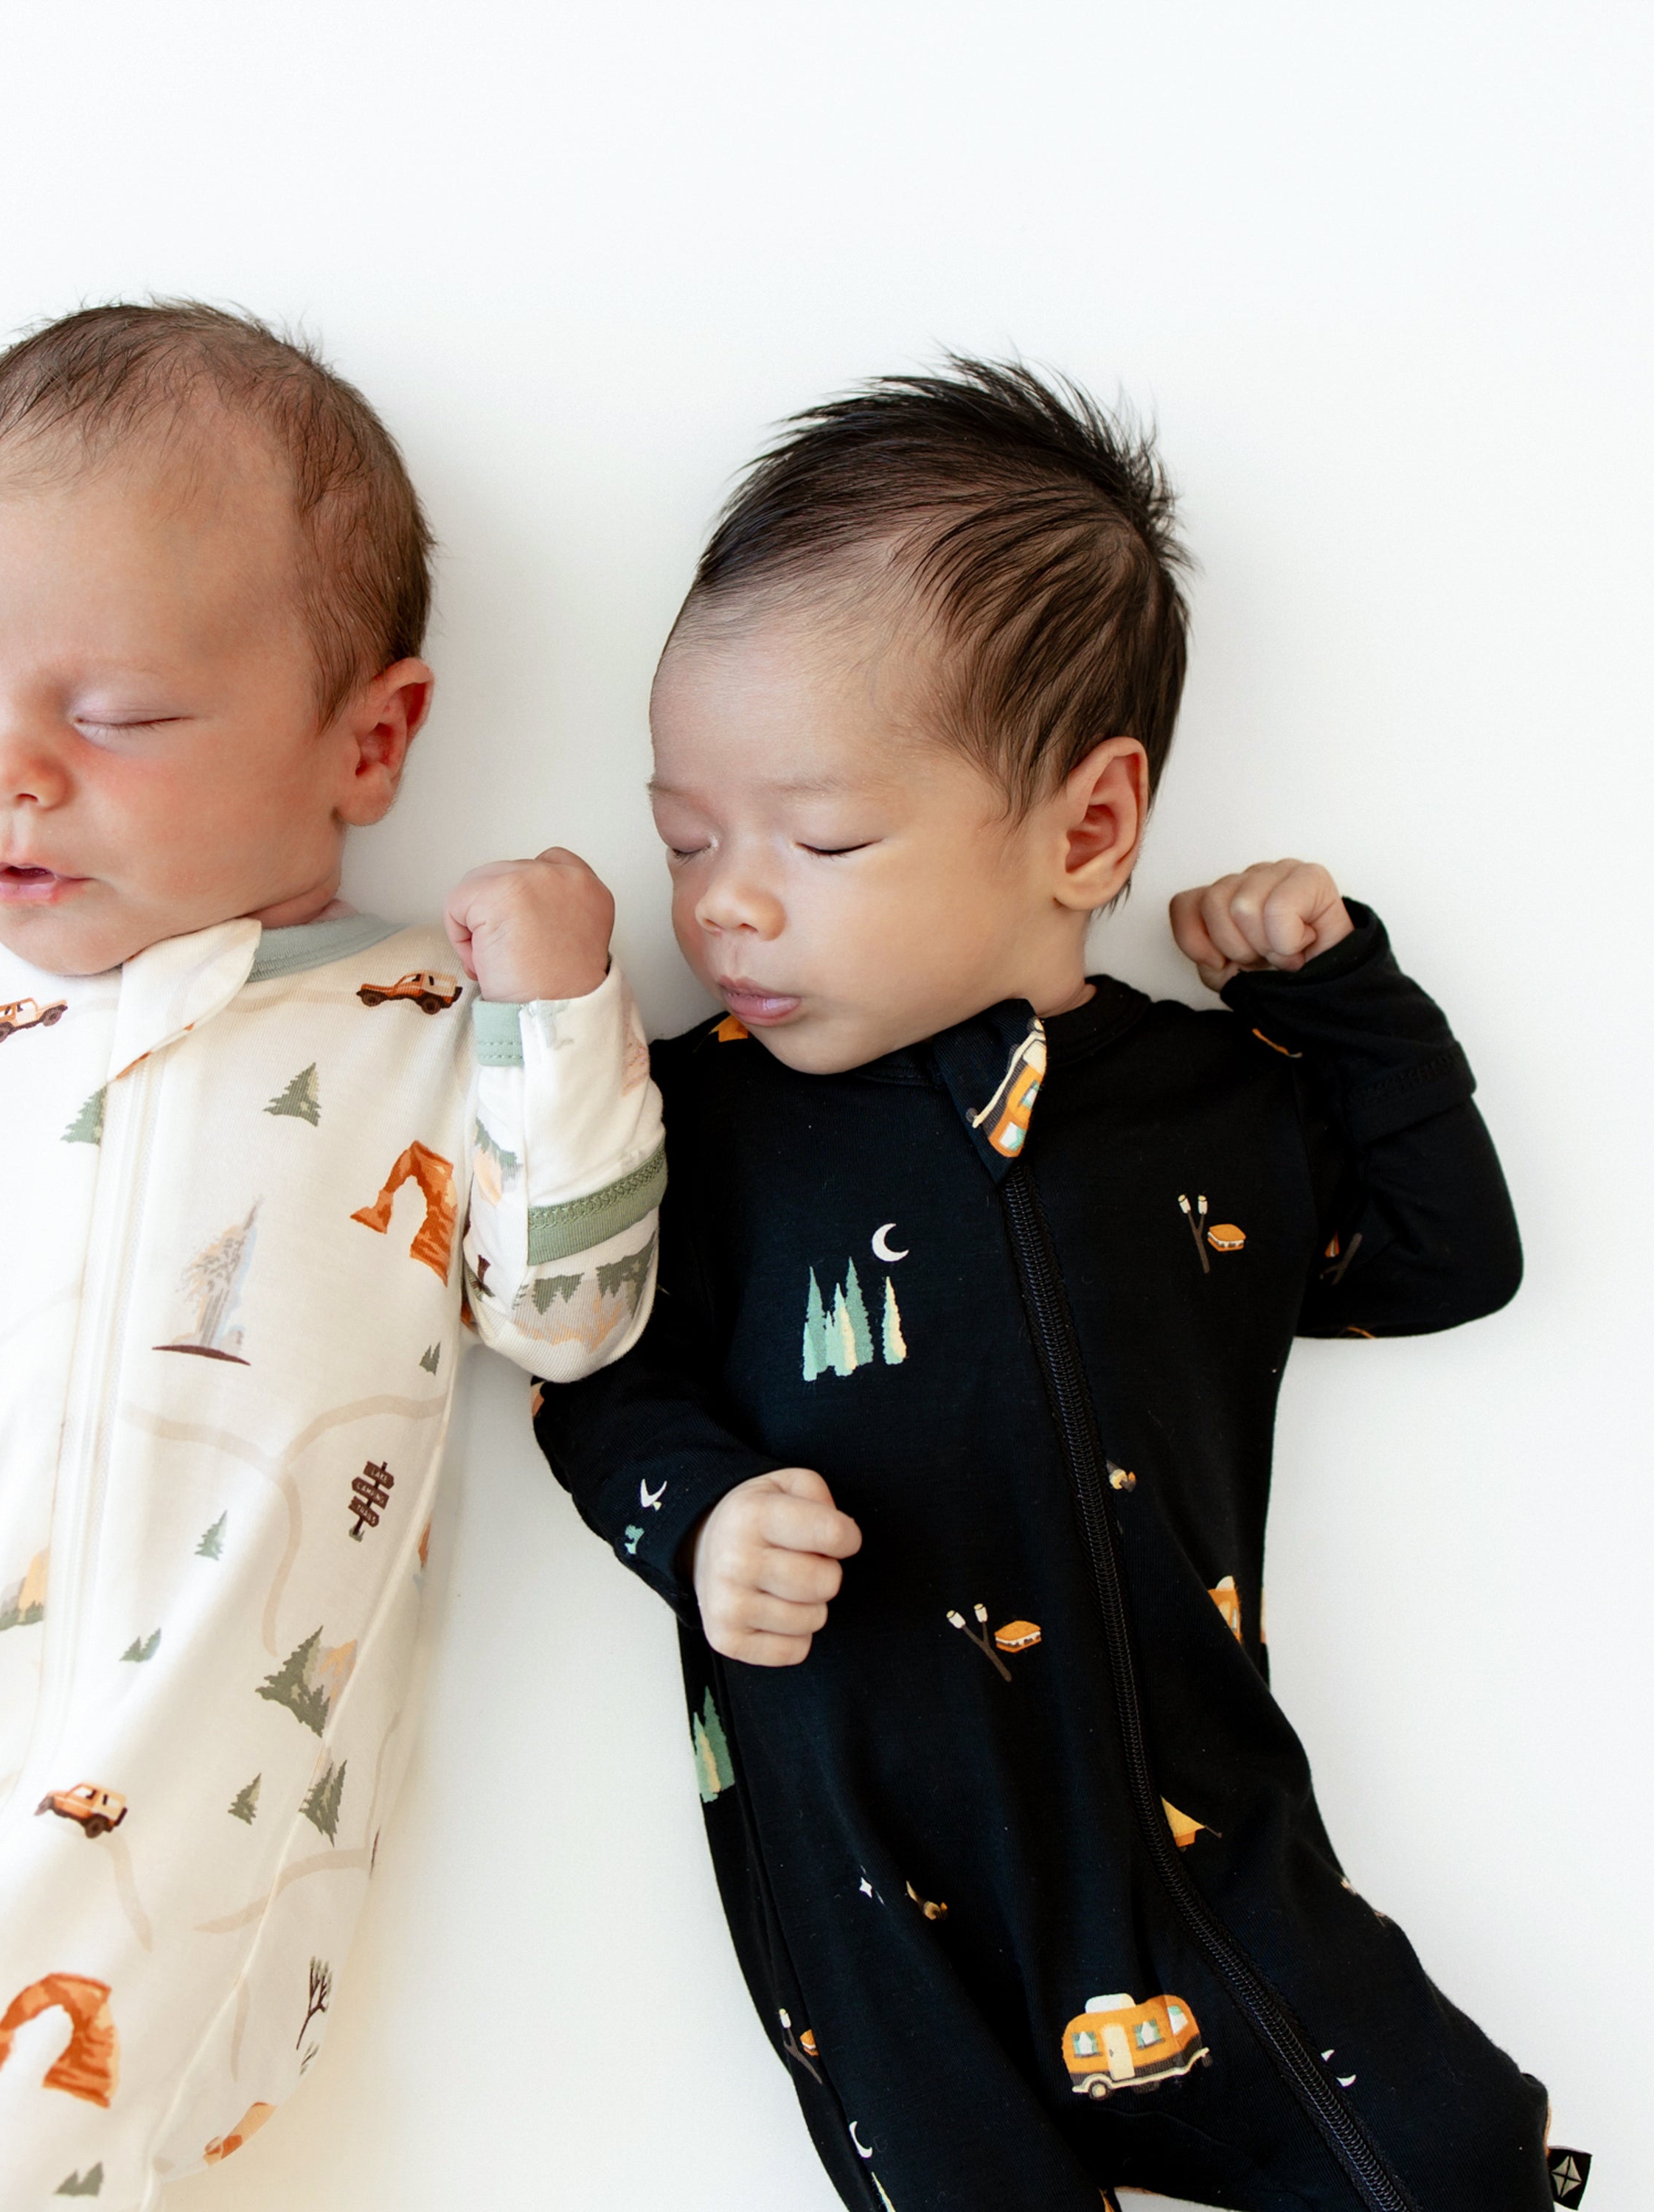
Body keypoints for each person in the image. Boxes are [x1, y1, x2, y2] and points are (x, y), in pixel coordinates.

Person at [0, 302, 664, 2210]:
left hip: (178, 1826)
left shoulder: (422, 1025)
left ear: (369, 739)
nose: (2, 774)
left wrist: (558, 1021)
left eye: (115, 715)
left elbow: (571, 1317)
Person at [532, 364, 1577, 2211]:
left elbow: (1445, 1257)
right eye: (688, 839)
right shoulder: (692, 1121)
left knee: (1454, 2153)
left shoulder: (1210, 1105)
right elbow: (588, 1363)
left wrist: (1339, 998)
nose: (723, 905)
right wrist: (693, 1521)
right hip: (872, 1887)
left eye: (818, 841)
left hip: (1198, 1851)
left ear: (1088, 831)